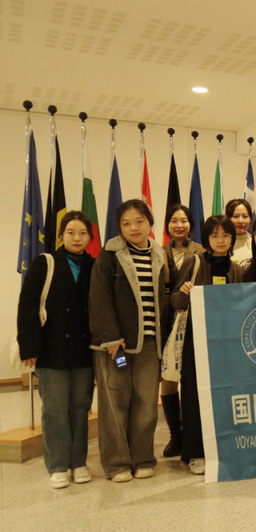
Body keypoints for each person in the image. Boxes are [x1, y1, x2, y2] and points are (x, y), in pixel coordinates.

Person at [89, 199, 172, 483]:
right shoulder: (109, 256)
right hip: (117, 346)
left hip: (150, 344)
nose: (133, 228)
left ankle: (143, 459)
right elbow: (99, 298)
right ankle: (117, 464)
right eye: (126, 223)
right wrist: (111, 337)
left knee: (146, 403)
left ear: (150, 223)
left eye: (139, 221)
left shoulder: (160, 254)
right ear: (119, 227)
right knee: (115, 402)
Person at [17, 211, 96, 489]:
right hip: (52, 349)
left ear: (90, 237)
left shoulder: (95, 265)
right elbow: (28, 304)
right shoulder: (45, 262)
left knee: (80, 408)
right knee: (54, 409)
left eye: (83, 233)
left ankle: (79, 462)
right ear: (61, 235)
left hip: (84, 350)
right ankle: (58, 465)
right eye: (71, 232)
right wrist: (29, 346)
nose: (77, 238)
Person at [171, 215, 245, 475]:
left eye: (226, 235)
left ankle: (222, 448)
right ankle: (195, 452)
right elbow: (174, 300)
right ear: (206, 238)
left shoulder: (237, 270)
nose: (220, 240)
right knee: (194, 395)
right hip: (197, 341)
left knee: (224, 395)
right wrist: (184, 292)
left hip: (227, 343)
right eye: (214, 236)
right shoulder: (193, 262)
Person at [161, 204, 205, 458]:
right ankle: (174, 435)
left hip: (191, 318)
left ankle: (190, 432)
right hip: (166, 317)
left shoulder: (201, 251)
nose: (179, 225)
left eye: (184, 221)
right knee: (167, 375)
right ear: (167, 224)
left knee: (190, 377)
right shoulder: (159, 251)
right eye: (174, 221)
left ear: (191, 224)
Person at [225, 198, 253, 264]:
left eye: (245, 216)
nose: (241, 221)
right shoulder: (221, 243)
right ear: (227, 218)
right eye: (236, 216)